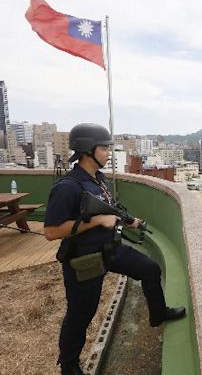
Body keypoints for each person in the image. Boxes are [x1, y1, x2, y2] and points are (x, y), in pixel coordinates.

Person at [44, 123, 186, 375]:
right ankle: (68, 366)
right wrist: (96, 222)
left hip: (110, 248)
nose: (108, 153)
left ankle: (158, 314)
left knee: (150, 269)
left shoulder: (97, 179)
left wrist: (130, 220)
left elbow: (109, 207)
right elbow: (52, 231)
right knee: (81, 314)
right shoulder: (68, 187)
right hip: (84, 259)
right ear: (88, 150)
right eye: (104, 148)